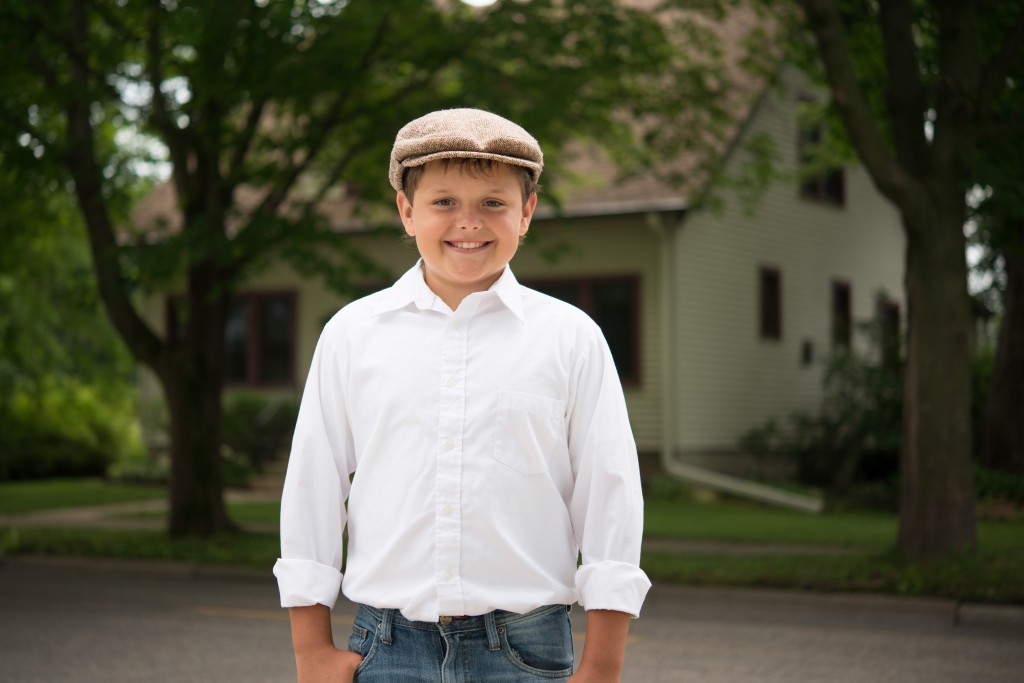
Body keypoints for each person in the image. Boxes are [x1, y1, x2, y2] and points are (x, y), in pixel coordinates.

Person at [274, 108, 650, 683]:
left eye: (493, 203)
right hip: (387, 647)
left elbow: (610, 498)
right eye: (444, 202)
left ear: (526, 213)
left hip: (526, 652)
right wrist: (311, 652)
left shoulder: (571, 338)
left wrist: (602, 667)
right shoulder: (352, 334)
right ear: (407, 211)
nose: (468, 222)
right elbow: (313, 486)